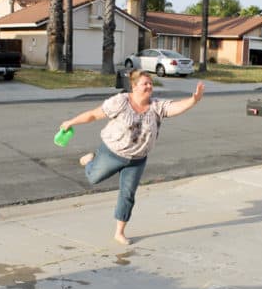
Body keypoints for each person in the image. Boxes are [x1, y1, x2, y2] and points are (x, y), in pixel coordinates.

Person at [59, 70, 205, 245]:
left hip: (137, 159)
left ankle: (119, 232)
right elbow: (93, 115)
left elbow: (175, 108)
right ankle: (90, 160)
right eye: (145, 83)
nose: (149, 86)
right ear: (134, 86)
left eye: (151, 83)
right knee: (93, 178)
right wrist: (70, 122)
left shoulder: (156, 106)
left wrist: (193, 100)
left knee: (128, 194)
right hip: (112, 153)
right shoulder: (120, 102)